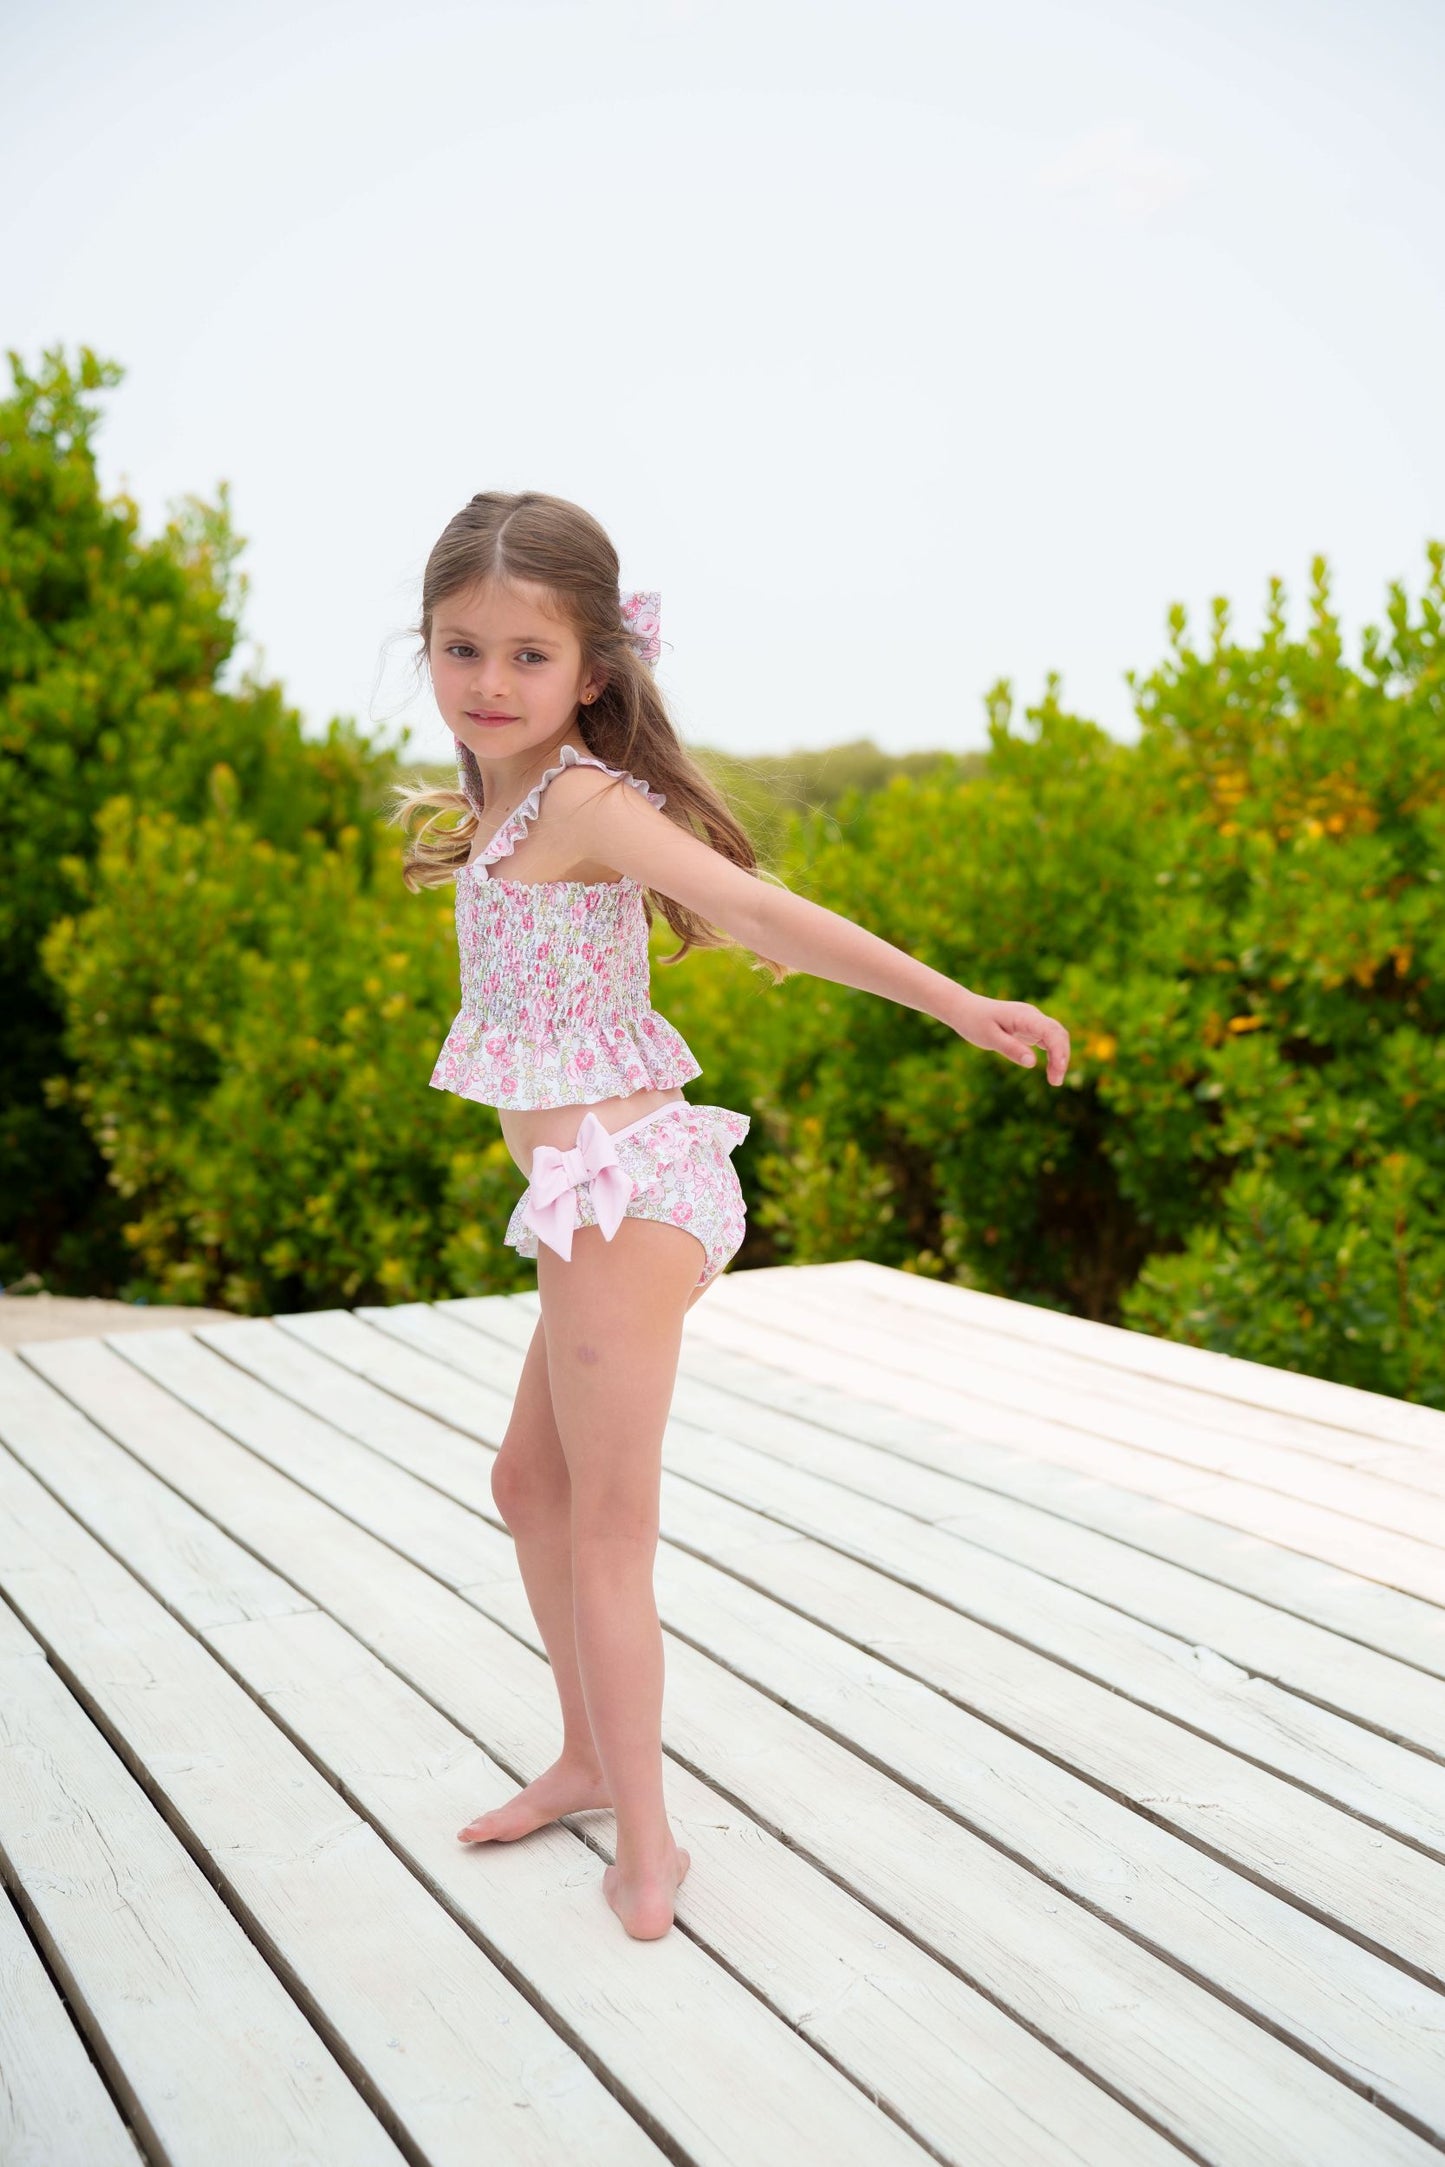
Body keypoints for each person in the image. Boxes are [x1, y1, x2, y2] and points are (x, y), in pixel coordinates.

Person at [393, 490, 1070, 1941]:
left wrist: (953, 1003)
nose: (491, 683)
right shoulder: (499, 801)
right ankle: (582, 1755)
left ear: (591, 671)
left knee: (604, 1531)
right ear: (428, 651)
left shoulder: (581, 800)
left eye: (527, 656)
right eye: (462, 649)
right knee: (530, 1489)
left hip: (627, 1193)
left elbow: (756, 913)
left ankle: (649, 1844)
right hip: (582, 1195)